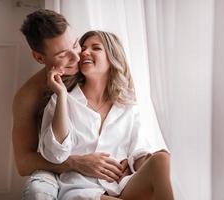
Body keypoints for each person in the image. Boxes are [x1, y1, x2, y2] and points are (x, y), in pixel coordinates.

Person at [39, 30, 174, 200]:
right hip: (82, 189)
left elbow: (138, 150)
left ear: (112, 58)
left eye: (96, 48)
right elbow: (54, 154)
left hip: (122, 185)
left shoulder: (127, 106)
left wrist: (138, 164)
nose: (85, 52)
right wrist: (61, 94)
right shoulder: (62, 100)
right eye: (83, 48)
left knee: (162, 159)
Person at [13, 9, 128, 200]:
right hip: (55, 169)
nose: (77, 57)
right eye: (63, 55)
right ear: (39, 58)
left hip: (101, 169)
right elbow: (23, 163)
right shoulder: (29, 95)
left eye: (75, 44)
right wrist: (75, 163)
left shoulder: (89, 59)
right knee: (36, 192)